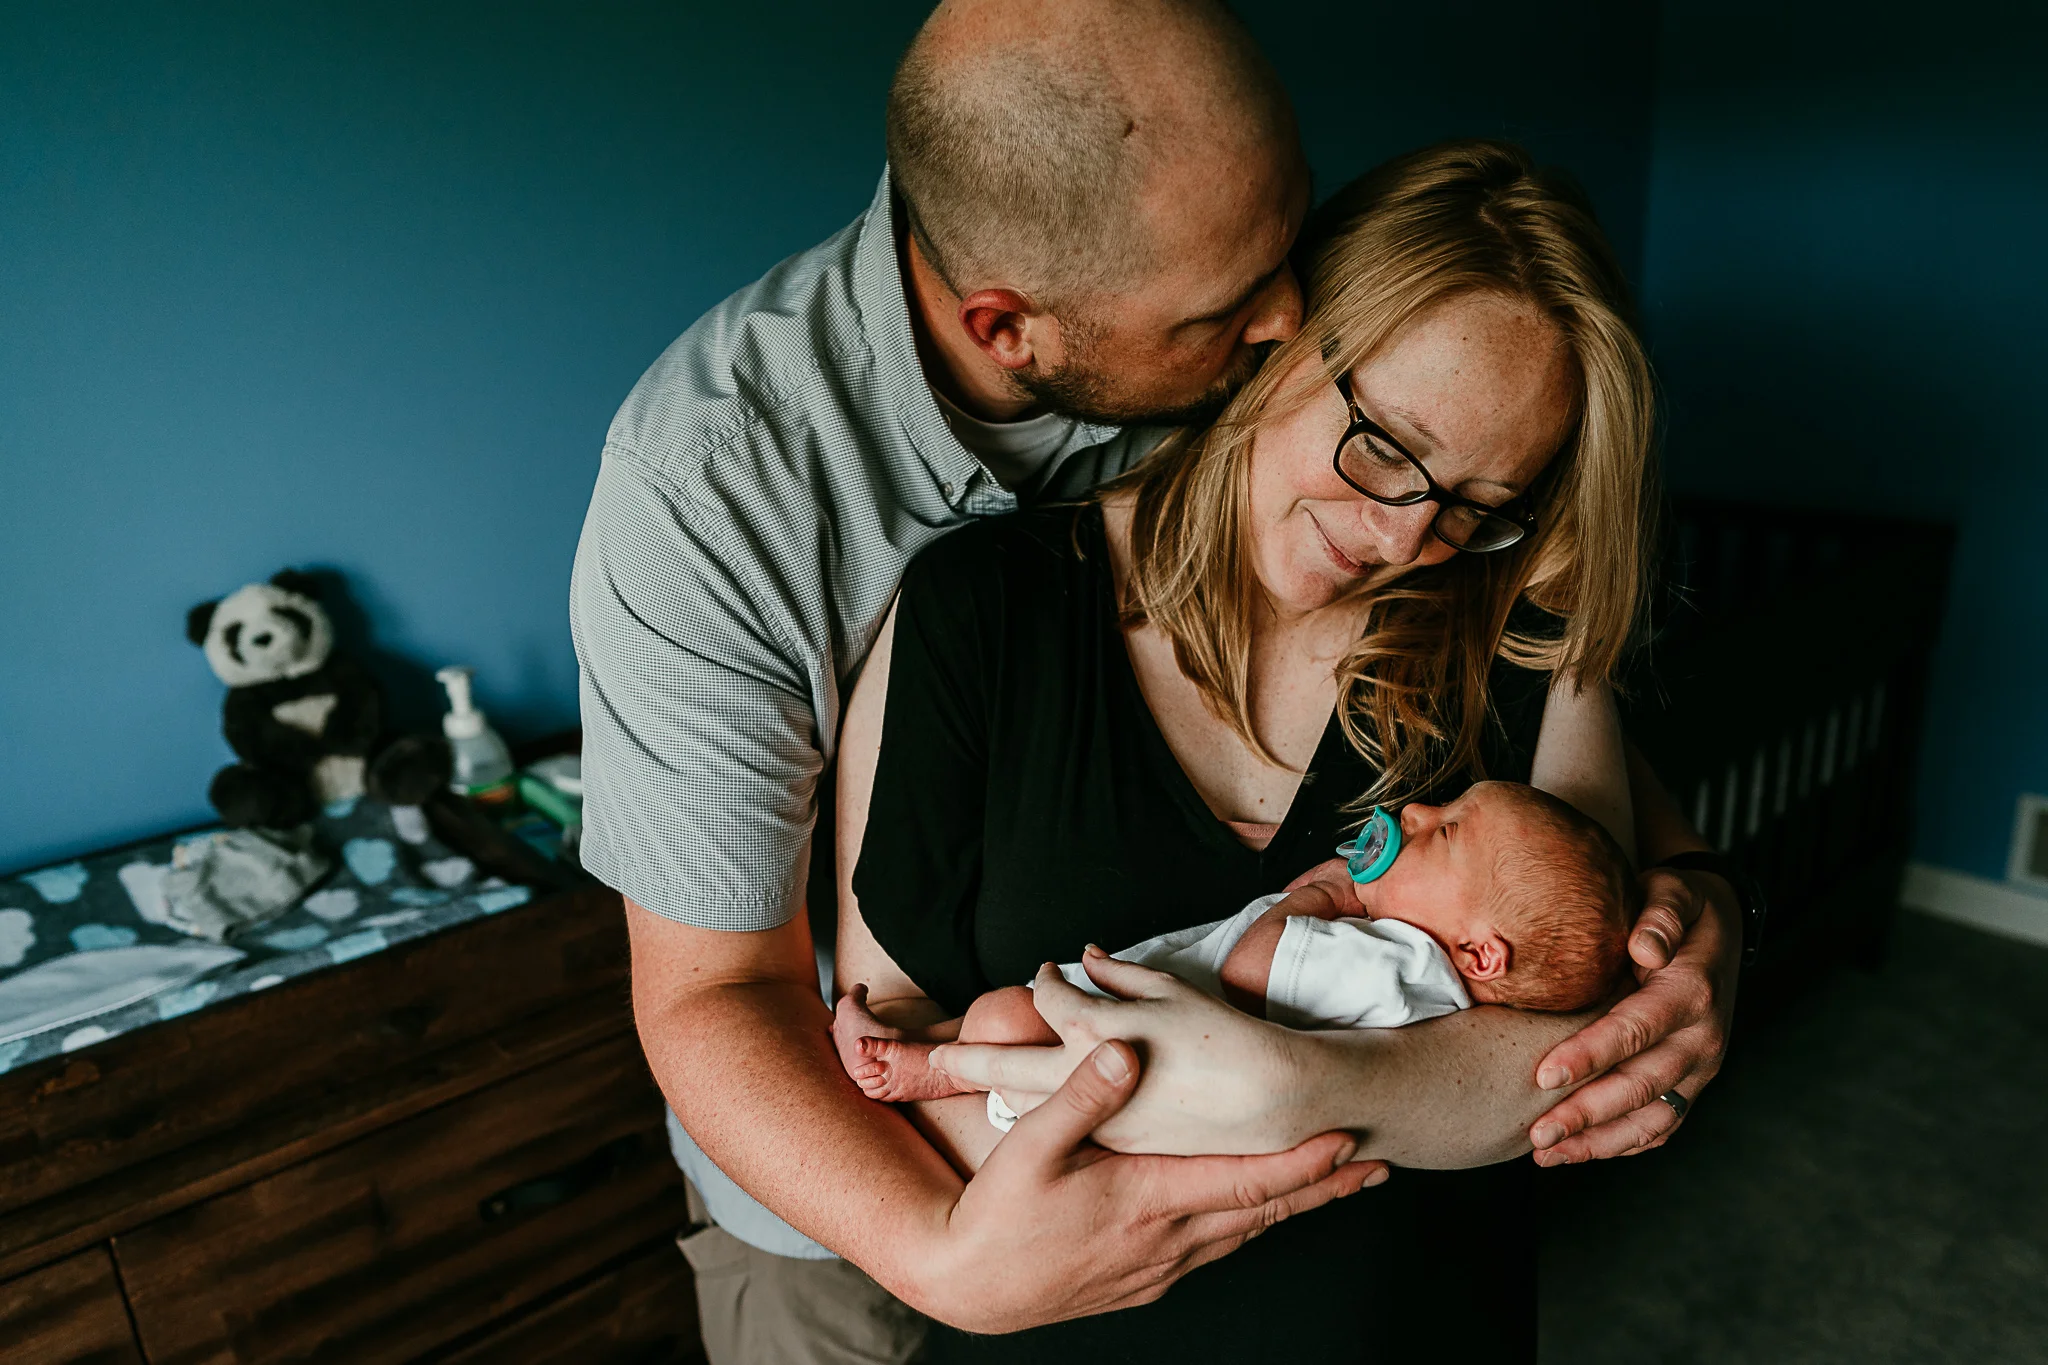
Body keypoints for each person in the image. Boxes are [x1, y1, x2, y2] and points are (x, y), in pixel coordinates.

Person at [571, 1, 1739, 1357]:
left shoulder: (1476, 579)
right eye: (1236, 314)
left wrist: (1705, 893)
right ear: (1010, 327)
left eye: (1482, 502)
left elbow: (1577, 981)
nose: (1277, 313)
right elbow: (737, 1002)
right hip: (844, 1211)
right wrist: (945, 1252)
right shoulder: (748, 499)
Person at [830, 139, 1730, 1360]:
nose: (1407, 533)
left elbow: (1569, 1047)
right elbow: (891, 1035)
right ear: (1279, 340)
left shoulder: (1517, 634)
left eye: (1476, 503)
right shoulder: (980, 612)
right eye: (1387, 447)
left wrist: (1297, 1091)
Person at [834, 781, 1637, 1114]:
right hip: (1139, 1021)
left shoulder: (1399, 965)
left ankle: (923, 1070)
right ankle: (910, 1044)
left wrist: (1331, 894)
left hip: (1135, 1055)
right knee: (998, 1014)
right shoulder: (1403, 959)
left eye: (1445, 830)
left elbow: (1255, 967)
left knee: (1006, 1021)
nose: (1418, 809)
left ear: (1482, 955)